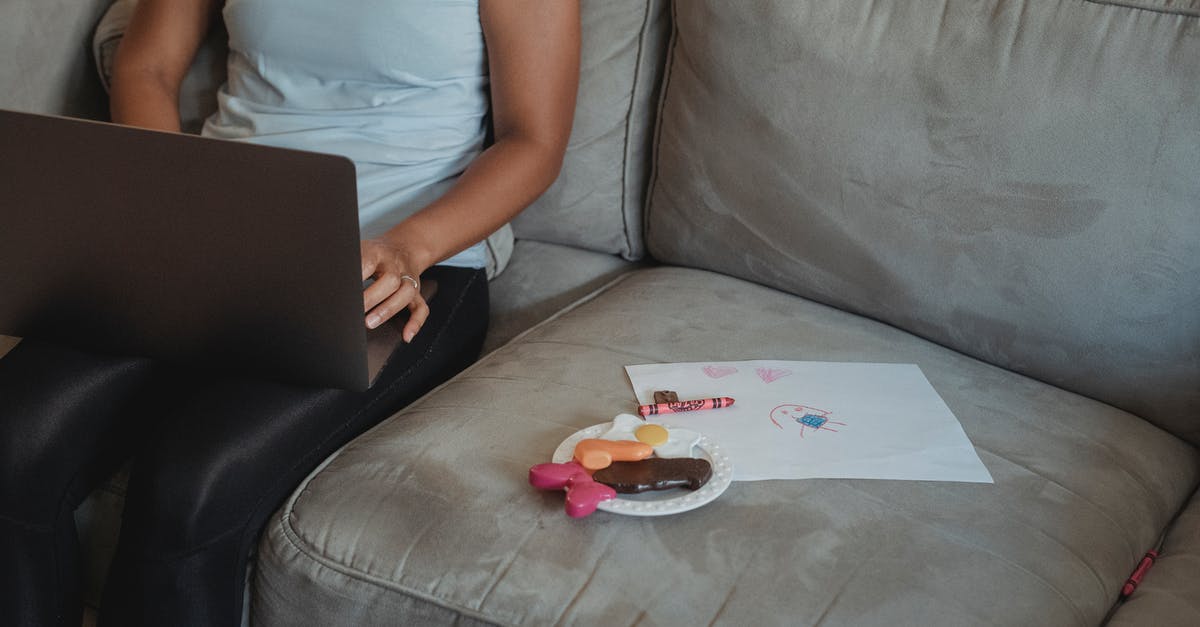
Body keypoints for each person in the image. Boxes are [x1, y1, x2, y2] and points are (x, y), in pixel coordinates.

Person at [0, 1, 580, 625]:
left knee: (188, 487)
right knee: (11, 434)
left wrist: (410, 246)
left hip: (406, 264)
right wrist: (168, 200)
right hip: (214, 230)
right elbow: (147, 65)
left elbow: (534, 141)